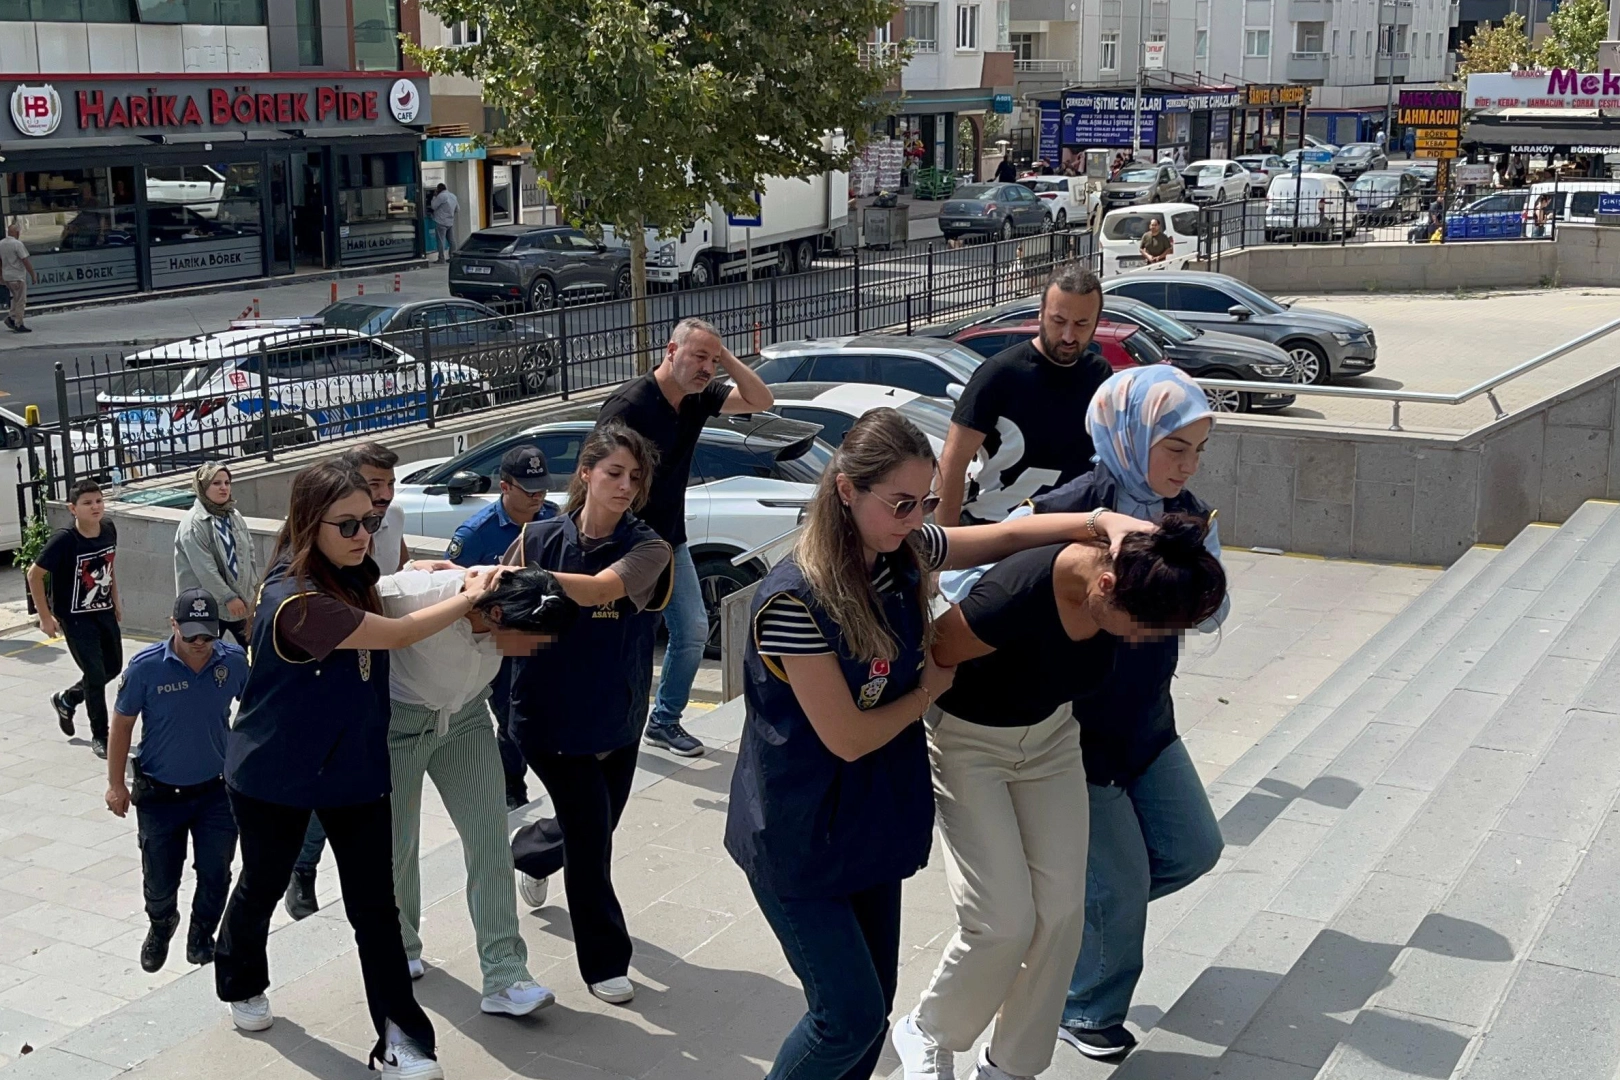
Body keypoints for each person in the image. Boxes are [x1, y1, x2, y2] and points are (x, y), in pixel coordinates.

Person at [728, 408, 1159, 1080]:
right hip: (800, 835)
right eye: (901, 503)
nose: (915, 519)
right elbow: (847, 738)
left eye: (925, 502)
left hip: (871, 823)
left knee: (872, 1013)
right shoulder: (795, 601)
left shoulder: (898, 549)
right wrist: (930, 687)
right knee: (845, 1019)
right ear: (847, 490)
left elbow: (1004, 536)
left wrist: (1102, 522)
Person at [893, 514, 1226, 1080]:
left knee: (1063, 914)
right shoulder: (1015, 594)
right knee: (1001, 920)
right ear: (1104, 586)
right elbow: (937, 655)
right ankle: (928, 1031)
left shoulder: (1128, 579)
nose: (1141, 639)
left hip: (1051, 743)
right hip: (970, 745)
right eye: (1140, 626)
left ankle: (1010, 1067)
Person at [214, 461, 508, 1080]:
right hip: (276, 772)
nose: (362, 535)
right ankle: (240, 978)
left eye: (370, 521)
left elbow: (391, 586)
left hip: (353, 769)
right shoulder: (294, 601)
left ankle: (403, 1039)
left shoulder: (350, 572)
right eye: (346, 525)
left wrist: (433, 570)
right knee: (263, 882)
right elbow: (397, 634)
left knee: (376, 906)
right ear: (308, 524)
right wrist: (469, 597)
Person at [1014, 366, 1228, 1060]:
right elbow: (980, 579)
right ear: (1129, 434)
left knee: (1193, 850)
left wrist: (1200, 571)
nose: (1187, 466)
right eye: (1176, 448)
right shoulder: (1071, 507)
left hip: (1149, 722)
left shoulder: (1188, 513)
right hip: (1078, 736)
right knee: (1120, 883)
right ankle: (1086, 1009)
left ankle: (1073, 930)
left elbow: (1214, 609)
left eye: (1198, 450)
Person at [505, 424, 673, 1006]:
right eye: (614, 473)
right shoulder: (537, 536)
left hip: (615, 717)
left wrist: (531, 581)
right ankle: (604, 962)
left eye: (635, 477)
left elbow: (602, 590)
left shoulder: (650, 549)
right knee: (591, 840)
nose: (625, 486)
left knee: (594, 827)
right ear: (585, 473)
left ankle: (530, 853)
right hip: (546, 718)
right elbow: (501, 601)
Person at [380, 564, 575, 1018]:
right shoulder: (412, 594)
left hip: (466, 719)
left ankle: (506, 974)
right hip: (397, 723)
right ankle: (399, 944)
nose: (536, 650)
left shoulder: (513, 592)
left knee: (490, 841)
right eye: (532, 640)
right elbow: (353, 606)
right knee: (396, 844)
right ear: (498, 617)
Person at [596, 317, 774, 756]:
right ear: (671, 352)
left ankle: (664, 721)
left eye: (713, 360)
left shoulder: (699, 396)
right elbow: (598, 475)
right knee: (625, 642)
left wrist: (723, 354)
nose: (707, 368)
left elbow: (761, 399)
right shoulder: (630, 405)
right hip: (624, 543)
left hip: (670, 541)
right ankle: (609, 728)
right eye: (699, 357)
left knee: (693, 628)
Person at [282, 442, 409, 918]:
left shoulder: (391, 519)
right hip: (337, 659)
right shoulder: (311, 557)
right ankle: (303, 868)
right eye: (375, 484)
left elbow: (395, 570)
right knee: (330, 783)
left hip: (378, 664)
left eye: (390, 485)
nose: (384, 496)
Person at [105, 588, 248, 974]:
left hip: (216, 791)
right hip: (160, 794)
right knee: (160, 879)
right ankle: (161, 923)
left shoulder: (232, 662)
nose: (200, 643)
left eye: (208, 635)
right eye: (191, 635)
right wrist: (116, 784)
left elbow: (255, 709)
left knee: (216, 872)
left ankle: (202, 933)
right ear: (173, 625)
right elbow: (122, 725)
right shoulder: (146, 668)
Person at [936, 266, 1112, 526]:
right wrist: (947, 543)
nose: (1068, 336)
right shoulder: (998, 374)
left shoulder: (1100, 374)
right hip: (995, 529)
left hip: (1071, 530)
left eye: (1081, 324)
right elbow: (952, 462)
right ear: (1040, 313)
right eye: (1059, 321)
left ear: (1096, 322)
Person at [447, 445, 560, 810]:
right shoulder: (476, 534)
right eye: (529, 490)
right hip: (499, 643)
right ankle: (510, 785)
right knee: (512, 720)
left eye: (542, 489)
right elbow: (455, 588)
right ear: (505, 486)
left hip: (543, 634)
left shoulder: (552, 517)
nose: (537, 497)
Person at [31, 479, 122, 760]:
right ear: (73, 509)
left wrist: (116, 600)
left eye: (99, 501)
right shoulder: (64, 540)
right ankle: (101, 735)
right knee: (94, 675)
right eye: (87, 503)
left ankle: (68, 699)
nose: (95, 507)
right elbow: (34, 575)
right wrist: (45, 617)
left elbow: (109, 567)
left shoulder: (109, 529)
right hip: (75, 618)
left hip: (103, 611)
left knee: (113, 667)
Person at [174, 463, 259, 649]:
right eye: (216, 483)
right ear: (203, 487)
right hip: (206, 607)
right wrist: (228, 597)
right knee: (204, 654)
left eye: (227, 483)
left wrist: (254, 588)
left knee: (255, 653)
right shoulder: (194, 523)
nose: (224, 488)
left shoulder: (234, 515)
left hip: (242, 602)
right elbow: (205, 569)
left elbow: (249, 554)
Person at [1, 220, 37, 334]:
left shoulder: (1, 243)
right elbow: (25, 260)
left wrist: (1, 276)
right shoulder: (17, 244)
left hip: (7, 277)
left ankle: (11, 317)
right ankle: (18, 323)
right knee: (21, 300)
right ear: (17, 233)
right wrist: (33, 274)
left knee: (15, 298)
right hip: (18, 277)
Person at [429, 184, 459, 264]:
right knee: (452, 240)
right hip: (450, 222)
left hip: (441, 221)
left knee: (441, 241)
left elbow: (433, 206)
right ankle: (452, 257)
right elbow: (457, 209)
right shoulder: (453, 196)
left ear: (438, 189)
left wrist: (434, 197)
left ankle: (441, 259)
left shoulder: (441, 196)